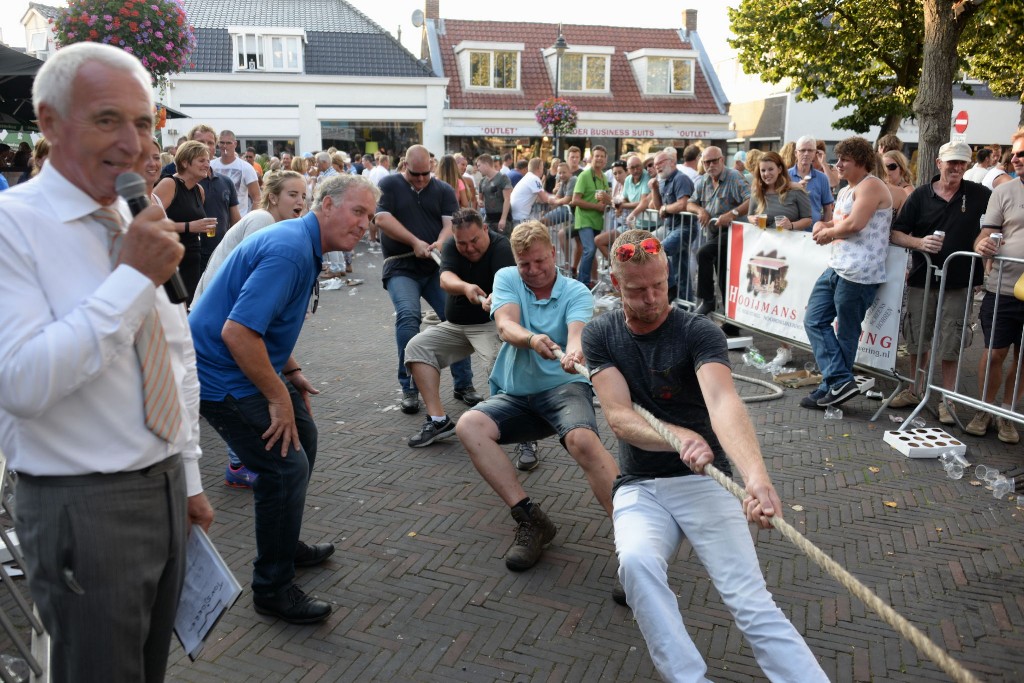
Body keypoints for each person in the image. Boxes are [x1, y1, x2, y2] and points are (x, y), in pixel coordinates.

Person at [0, 41, 214, 682]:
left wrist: (190, 473)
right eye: (106, 119)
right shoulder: (13, 226)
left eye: (144, 122)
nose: (134, 142)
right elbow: (22, 383)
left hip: (164, 484)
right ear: (49, 123)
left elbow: (171, 355)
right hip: (81, 504)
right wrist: (128, 281)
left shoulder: (128, 213)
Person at [583, 229, 828, 683]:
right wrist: (675, 436)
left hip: (706, 480)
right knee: (635, 565)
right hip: (641, 485)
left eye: (659, 285)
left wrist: (755, 478)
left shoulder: (699, 331)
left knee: (750, 602)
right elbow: (617, 416)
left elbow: (723, 402)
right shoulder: (602, 333)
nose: (652, 298)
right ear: (616, 286)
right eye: (637, 290)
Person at [190, 174, 377, 624]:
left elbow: (264, 321)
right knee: (283, 465)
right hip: (218, 374)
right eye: (358, 212)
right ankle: (272, 587)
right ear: (327, 206)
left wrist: (289, 372)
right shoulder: (292, 250)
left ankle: (284, 542)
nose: (365, 226)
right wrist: (278, 396)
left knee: (303, 440)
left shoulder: (303, 243)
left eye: (370, 217)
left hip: (240, 364)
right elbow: (238, 331)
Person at [455, 221, 620, 578]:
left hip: (565, 389)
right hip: (516, 395)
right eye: (524, 264)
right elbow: (505, 325)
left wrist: (573, 353)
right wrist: (532, 340)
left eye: (539, 262)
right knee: (469, 425)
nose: (532, 271)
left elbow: (577, 335)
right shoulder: (507, 278)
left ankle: (633, 539)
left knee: (583, 441)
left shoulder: (576, 290)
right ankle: (531, 520)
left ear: (553, 254)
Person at [889, 141, 990, 425]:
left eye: (962, 163)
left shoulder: (981, 195)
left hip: (960, 280)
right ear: (938, 163)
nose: (956, 168)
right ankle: (914, 389)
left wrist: (986, 246)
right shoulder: (920, 195)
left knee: (951, 339)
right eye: (951, 162)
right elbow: (896, 233)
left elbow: (993, 228)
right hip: (923, 277)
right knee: (917, 337)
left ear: (967, 165)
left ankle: (948, 400)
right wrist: (919, 242)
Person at [376, 145, 479, 414]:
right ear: (404, 166)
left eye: (425, 174)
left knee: (456, 317)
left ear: (431, 168)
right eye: (414, 174)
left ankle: (464, 384)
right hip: (400, 265)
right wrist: (414, 241)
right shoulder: (389, 184)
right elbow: (381, 218)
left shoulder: (443, 190)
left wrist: (439, 243)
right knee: (409, 316)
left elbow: (449, 225)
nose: (420, 179)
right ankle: (409, 388)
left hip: (435, 268)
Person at [404, 208, 516, 447]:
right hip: (456, 326)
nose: (469, 248)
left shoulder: (501, 247)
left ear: (485, 229)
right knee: (416, 347)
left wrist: (494, 298)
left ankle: (518, 430)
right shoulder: (453, 245)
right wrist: (466, 288)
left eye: (474, 240)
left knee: (501, 362)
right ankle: (438, 421)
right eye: (463, 243)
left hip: (489, 324)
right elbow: (445, 279)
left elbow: (505, 285)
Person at [803, 136, 893, 409]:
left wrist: (827, 233)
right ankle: (837, 381)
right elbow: (840, 220)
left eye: (845, 160)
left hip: (860, 272)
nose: (838, 165)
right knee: (813, 320)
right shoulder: (845, 190)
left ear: (862, 163)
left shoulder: (872, 186)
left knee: (846, 333)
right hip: (838, 266)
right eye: (838, 159)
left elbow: (855, 223)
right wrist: (823, 225)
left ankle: (833, 385)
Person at [967, 129, 1024, 445]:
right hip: (1003, 286)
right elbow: (983, 237)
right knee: (994, 353)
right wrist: (983, 245)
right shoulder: (1003, 192)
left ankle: (1008, 414)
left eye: (1021, 154)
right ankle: (983, 409)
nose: (1014, 158)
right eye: (1013, 153)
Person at [153, 141, 219, 306]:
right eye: (201, 160)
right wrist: (190, 226)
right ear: (184, 162)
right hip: (171, 258)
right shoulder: (169, 184)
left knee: (190, 307)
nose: (207, 165)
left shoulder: (199, 191)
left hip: (193, 257)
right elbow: (150, 222)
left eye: (208, 161)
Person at [688, 146, 751, 318]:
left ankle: (708, 300)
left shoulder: (734, 176)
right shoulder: (704, 181)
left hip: (734, 232)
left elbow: (751, 199)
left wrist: (732, 214)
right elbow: (690, 203)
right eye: (707, 162)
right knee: (723, 275)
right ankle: (731, 322)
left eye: (714, 161)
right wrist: (700, 210)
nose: (711, 165)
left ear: (722, 160)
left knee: (704, 254)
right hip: (714, 233)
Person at [649, 151, 696, 300]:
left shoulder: (680, 178)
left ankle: (671, 289)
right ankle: (685, 304)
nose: (657, 167)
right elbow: (658, 207)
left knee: (658, 251)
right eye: (655, 165)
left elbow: (683, 204)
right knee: (681, 269)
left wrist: (666, 209)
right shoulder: (663, 181)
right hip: (671, 228)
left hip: (684, 227)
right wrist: (655, 189)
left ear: (671, 162)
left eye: (660, 163)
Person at [571, 144, 611, 288]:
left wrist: (608, 199)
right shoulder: (584, 175)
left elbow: (606, 199)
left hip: (597, 221)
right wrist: (596, 206)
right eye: (597, 156)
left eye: (602, 156)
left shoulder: (604, 177)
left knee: (591, 252)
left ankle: (590, 281)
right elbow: (575, 200)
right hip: (584, 219)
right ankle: (583, 283)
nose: (599, 159)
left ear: (606, 160)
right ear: (591, 158)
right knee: (589, 250)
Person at [750, 151, 812, 231]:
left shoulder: (796, 191)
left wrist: (791, 225)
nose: (766, 173)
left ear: (779, 169)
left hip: (789, 241)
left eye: (771, 169)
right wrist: (753, 220)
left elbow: (808, 220)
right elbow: (750, 215)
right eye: (763, 170)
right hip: (765, 241)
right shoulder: (757, 191)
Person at [212, 129, 260, 216]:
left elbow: (257, 197)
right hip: (215, 219)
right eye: (222, 143)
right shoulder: (211, 165)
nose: (225, 146)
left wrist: (249, 219)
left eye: (228, 143)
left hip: (239, 220)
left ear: (235, 144)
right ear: (218, 144)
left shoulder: (246, 168)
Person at [790, 135, 835, 224]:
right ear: (796, 153)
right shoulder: (785, 175)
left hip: (813, 232)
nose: (806, 153)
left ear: (815, 153)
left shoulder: (822, 178)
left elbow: (827, 208)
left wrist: (824, 230)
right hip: (789, 231)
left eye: (810, 150)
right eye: (802, 150)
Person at [509, 157, 553, 224]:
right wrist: (559, 199)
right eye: (542, 167)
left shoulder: (528, 177)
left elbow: (539, 199)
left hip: (515, 216)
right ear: (538, 168)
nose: (543, 170)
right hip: (520, 218)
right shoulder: (534, 178)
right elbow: (544, 198)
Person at [477, 153, 511, 233]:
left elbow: (507, 199)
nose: (478, 168)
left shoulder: (503, 177)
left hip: (501, 217)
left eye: (479, 165)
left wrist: (503, 219)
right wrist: (480, 201)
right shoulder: (482, 181)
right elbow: (480, 198)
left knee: (504, 243)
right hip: (489, 219)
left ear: (486, 164)